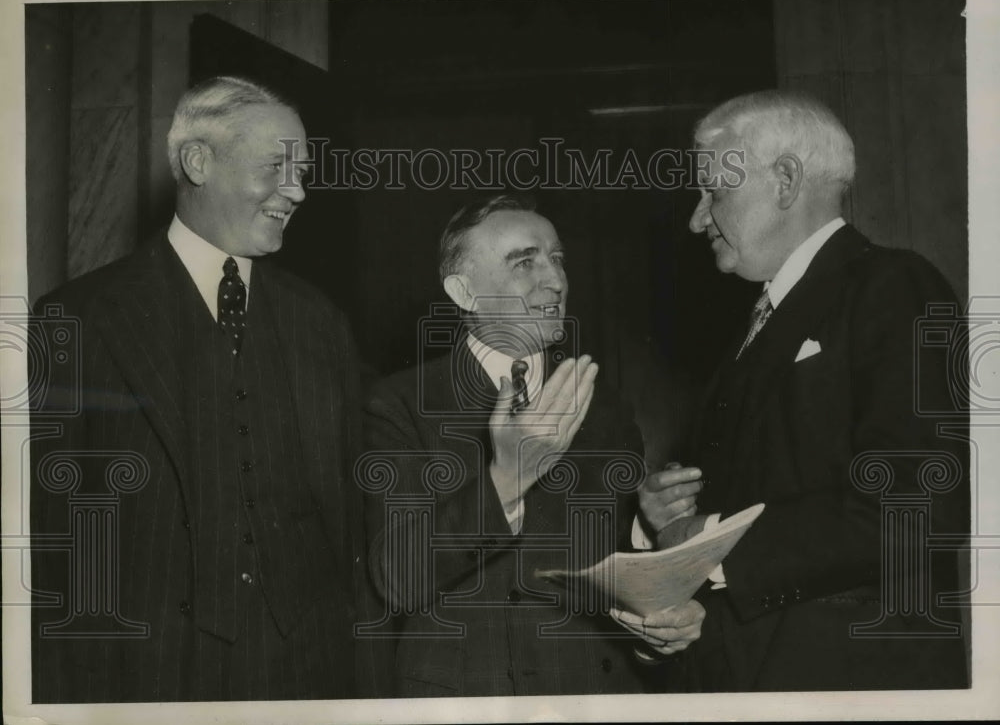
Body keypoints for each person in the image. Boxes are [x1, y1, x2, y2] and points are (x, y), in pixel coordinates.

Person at [30, 75, 364, 702]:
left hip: (304, 670)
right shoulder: (77, 317)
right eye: (277, 167)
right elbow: (49, 542)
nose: (298, 189)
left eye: (303, 170)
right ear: (198, 160)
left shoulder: (322, 323)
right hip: (143, 673)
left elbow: (348, 526)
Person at [635, 89, 969, 691]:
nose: (697, 217)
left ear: (785, 180)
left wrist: (709, 540)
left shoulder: (894, 286)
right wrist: (671, 519)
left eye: (715, 191)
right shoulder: (755, 322)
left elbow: (918, 505)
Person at [360, 195, 704, 697]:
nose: (555, 280)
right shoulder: (400, 404)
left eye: (557, 259)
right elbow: (399, 579)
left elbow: (622, 581)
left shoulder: (602, 405)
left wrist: (651, 531)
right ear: (464, 291)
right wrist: (509, 477)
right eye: (525, 262)